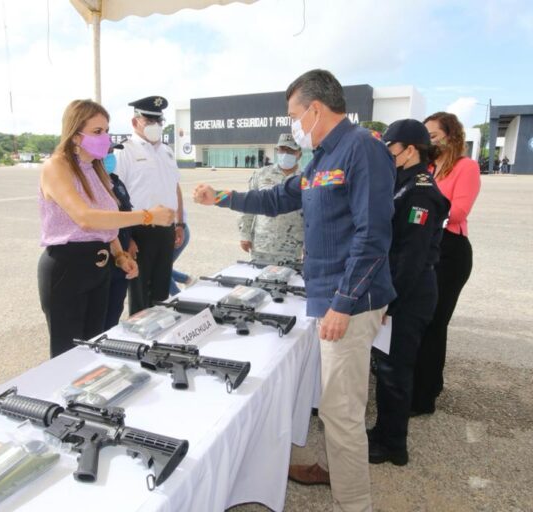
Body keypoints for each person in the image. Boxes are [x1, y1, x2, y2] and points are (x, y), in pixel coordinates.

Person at [194, 69, 395, 512]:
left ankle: (354, 504)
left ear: (315, 109)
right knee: (336, 405)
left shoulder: (362, 148)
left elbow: (373, 234)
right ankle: (337, 476)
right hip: (329, 295)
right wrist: (223, 198)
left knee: (341, 412)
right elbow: (280, 197)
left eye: (293, 115)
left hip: (351, 299)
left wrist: (343, 303)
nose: (292, 125)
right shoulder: (323, 157)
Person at [38, 99, 173, 357]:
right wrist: (147, 217)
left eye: (106, 130)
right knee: (68, 354)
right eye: (97, 131)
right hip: (68, 268)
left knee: (95, 348)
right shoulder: (57, 166)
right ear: (75, 134)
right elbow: (86, 218)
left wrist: (120, 254)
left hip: (101, 267)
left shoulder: (95, 169)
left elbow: (108, 218)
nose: (105, 137)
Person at [368, 120, 451, 466]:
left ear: (410, 150)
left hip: (409, 293)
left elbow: (411, 258)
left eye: (391, 148)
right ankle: (384, 429)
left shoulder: (420, 192)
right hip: (398, 288)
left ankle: (394, 446)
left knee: (395, 371)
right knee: (385, 366)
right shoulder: (401, 181)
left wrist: (391, 299)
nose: (387, 153)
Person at [411, 112, 481, 415]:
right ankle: (424, 383)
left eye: (434, 135)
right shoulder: (426, 167)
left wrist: (421, 210)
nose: (429, 141)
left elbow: (458, 211)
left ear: (451, 136)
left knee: (434, 323)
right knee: (418, 321)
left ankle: (424, 398)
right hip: (424, 247)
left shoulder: (466, 167)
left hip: (450, 252)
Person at [114, 96, 185, 314]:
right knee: (139, 293)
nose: (155, 126)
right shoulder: (123, 151)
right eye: (149, 121)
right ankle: (140, 340)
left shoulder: (168, 152)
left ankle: (159, 336)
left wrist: (179, 224)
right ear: (135, 123)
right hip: (138, 230)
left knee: (161, 290)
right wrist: (127, 237)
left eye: (159, 121)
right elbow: (115, 195)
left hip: (165, 230)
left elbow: (175, 188)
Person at [238, 133, 304, 264]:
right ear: (277, 151)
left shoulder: (305, 178)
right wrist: (244, 234)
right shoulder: (261, 174)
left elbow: (311, 214)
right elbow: (249, 205)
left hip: (292, 247)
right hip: (262, 245)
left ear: (299, 154)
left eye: (291, 150)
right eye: (282, 149)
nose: (286, 153)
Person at [103, 143, 135, 329]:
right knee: (96, 323)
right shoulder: (88, 184)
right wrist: (150, 216)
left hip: (121, 259)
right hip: (103, 260)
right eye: (106, 152)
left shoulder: (116, 181)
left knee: (112, 317)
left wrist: (130, 241)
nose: (109, 156)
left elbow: (124, 215)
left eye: (111, 152)